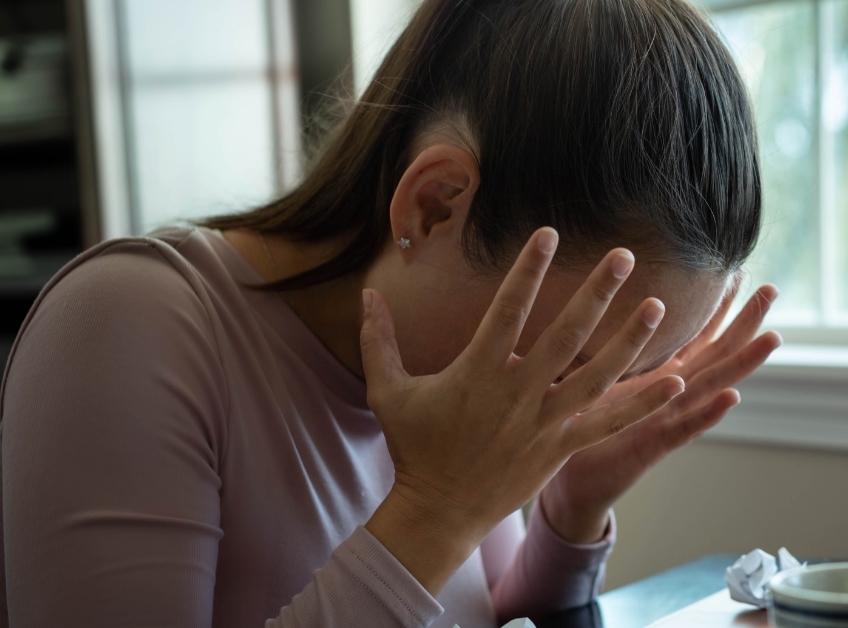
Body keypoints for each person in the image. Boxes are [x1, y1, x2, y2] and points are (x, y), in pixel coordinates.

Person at [0, 0, 780, 626]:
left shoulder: (432, 373)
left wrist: (573, 503)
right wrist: (435, 509)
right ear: (435, 205)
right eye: (570, 358)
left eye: (620, 372)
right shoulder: (128, 324)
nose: (570, 401)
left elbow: (478, 607)